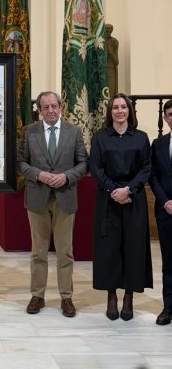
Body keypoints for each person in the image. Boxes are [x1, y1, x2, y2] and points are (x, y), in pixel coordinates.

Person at [18, 91, 88, 317]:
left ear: (61, 107)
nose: (50, 110)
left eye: (54, 106)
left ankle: (66, 297)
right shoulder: (29, 132)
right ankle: (37, 295)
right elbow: (20, 162)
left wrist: (66, 176)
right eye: (45, 107)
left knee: (65, 252)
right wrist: (38, 174)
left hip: (65, 197)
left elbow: (83, 163)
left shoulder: (73, 132)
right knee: (38, 251)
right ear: (38, 110)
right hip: (37, 198)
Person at [90, 94, 152, 321]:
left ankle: (128, 296)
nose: (119, 111)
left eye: (123, 107)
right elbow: (95, 167)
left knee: (133, 248)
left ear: (129, 111)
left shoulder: (141, 138)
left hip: (134, 200)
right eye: (115, 107)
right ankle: (111, 295)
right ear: (110, 112)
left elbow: (146, 168)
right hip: (108, 199)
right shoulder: (100, 138)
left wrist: (129, 190)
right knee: (109, 249)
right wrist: (113, 190)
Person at [148, 99, 172, 324]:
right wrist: (165, 201)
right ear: (165, 118)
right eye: (170, 114)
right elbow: (153, 176)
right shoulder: (159, 144)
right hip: (166, 211)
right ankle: (168, 308)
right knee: (168, 262)